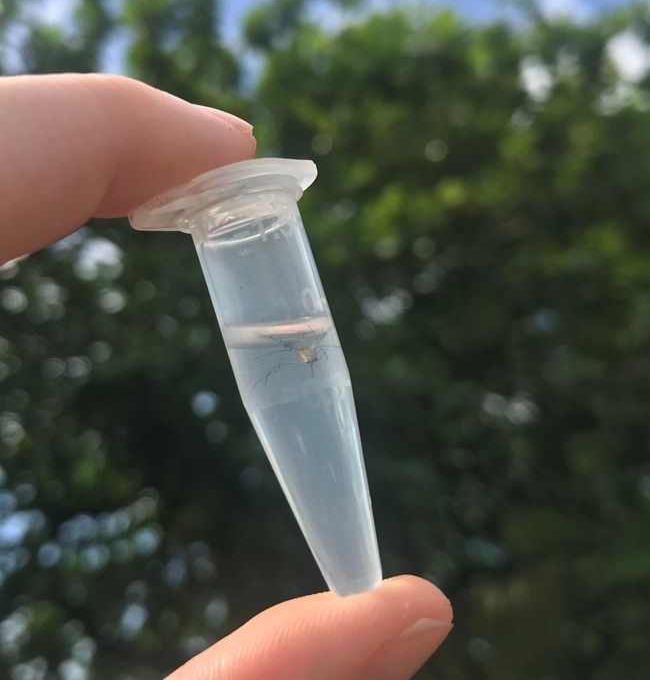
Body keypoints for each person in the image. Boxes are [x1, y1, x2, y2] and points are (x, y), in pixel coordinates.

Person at [0, 74, 453, 680]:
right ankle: (358, 589)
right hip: (282, 350)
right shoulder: (282, 344)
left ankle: (358, 584)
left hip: (294, 353)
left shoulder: (304, 344)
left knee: (367, 606)